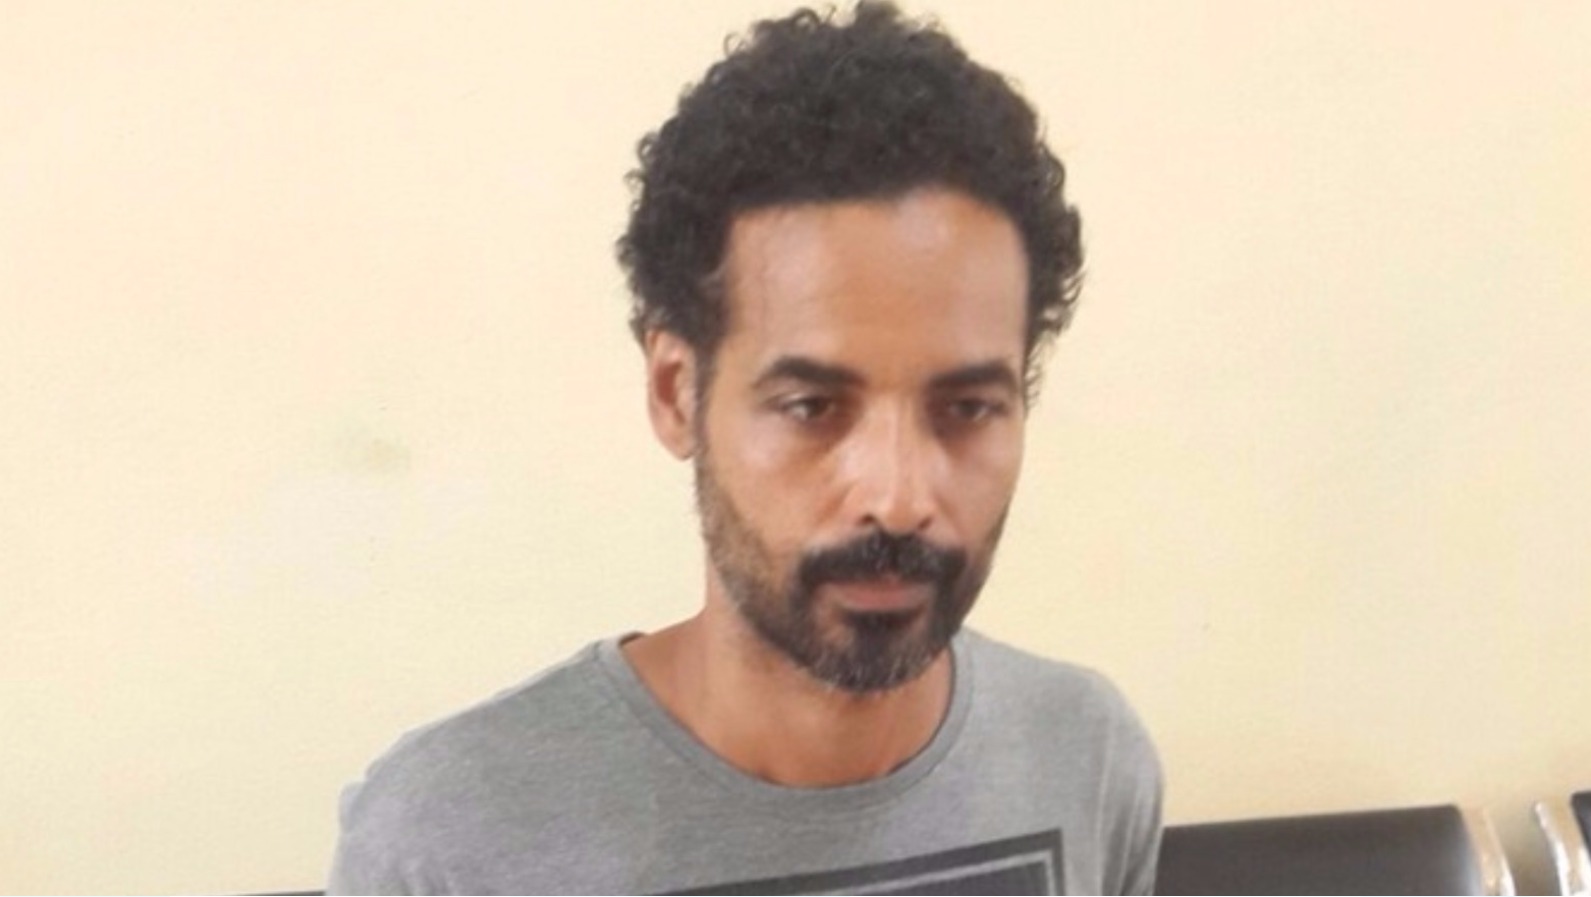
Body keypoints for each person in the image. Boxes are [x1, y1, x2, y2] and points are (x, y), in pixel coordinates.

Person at [328, 3, 1162, 893]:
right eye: (811, 407)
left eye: (965, 407)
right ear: (675, 392)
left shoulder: (1085, 757)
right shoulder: (447, 839)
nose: (896, 496)